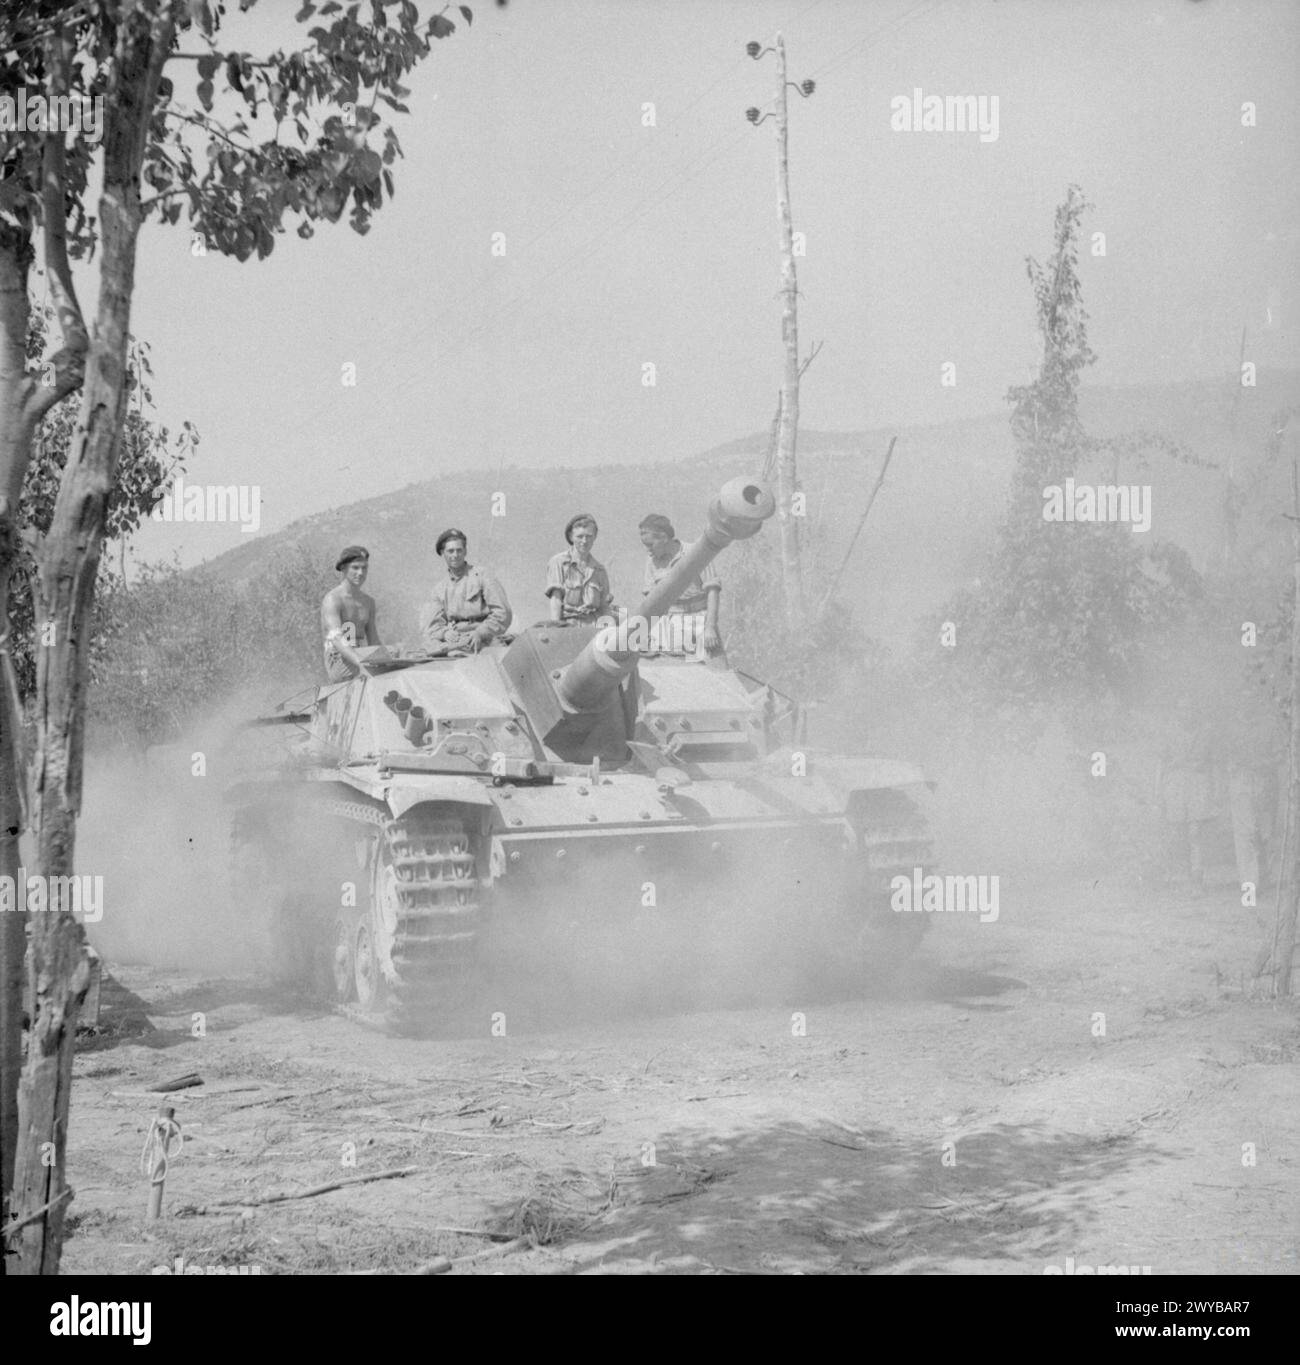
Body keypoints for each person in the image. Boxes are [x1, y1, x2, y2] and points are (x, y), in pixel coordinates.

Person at [638, 512, 722, 655]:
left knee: (718, 672)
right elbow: (651, 603)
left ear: (664, 538)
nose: (648, 550)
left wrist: (710, 627)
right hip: (671, 622)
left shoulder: (696, 553)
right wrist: (646, 631)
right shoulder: (651, 562)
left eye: (650, 544)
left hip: (701, 620)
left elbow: (713, 591)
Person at [422, 528, 512, 653]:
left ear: (465, 551)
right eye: (450, 551)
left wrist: (481, 632)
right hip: (456, 643)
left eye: (459, 550)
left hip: (486, 640)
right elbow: (431, 626)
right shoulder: (439, 589)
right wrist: (445, 633)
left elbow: (503, 613)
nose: (455, 555)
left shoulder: (482, 576)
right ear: (443, 553)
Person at [321, 545, 381, 682]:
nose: (360, 573)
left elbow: (374, 640)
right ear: (343, 568)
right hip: (339, 659)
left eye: (364, 568)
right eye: (355, 567)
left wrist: (388, 658)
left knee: (397, 659)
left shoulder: (369, 601)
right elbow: (336, 638)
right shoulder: (333, 599)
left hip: (361, 655)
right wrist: (361, 662)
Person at [545, 513, 615, 625]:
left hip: (593, 629)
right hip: (567, 626)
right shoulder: (558, 562)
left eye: (589, 536)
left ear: (595, 537)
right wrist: (555, 630)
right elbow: (556, 599)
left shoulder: (600, 570)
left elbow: (604, 608)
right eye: (580, 536)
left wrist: (611, 632)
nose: (584, 541)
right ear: (571, 536)